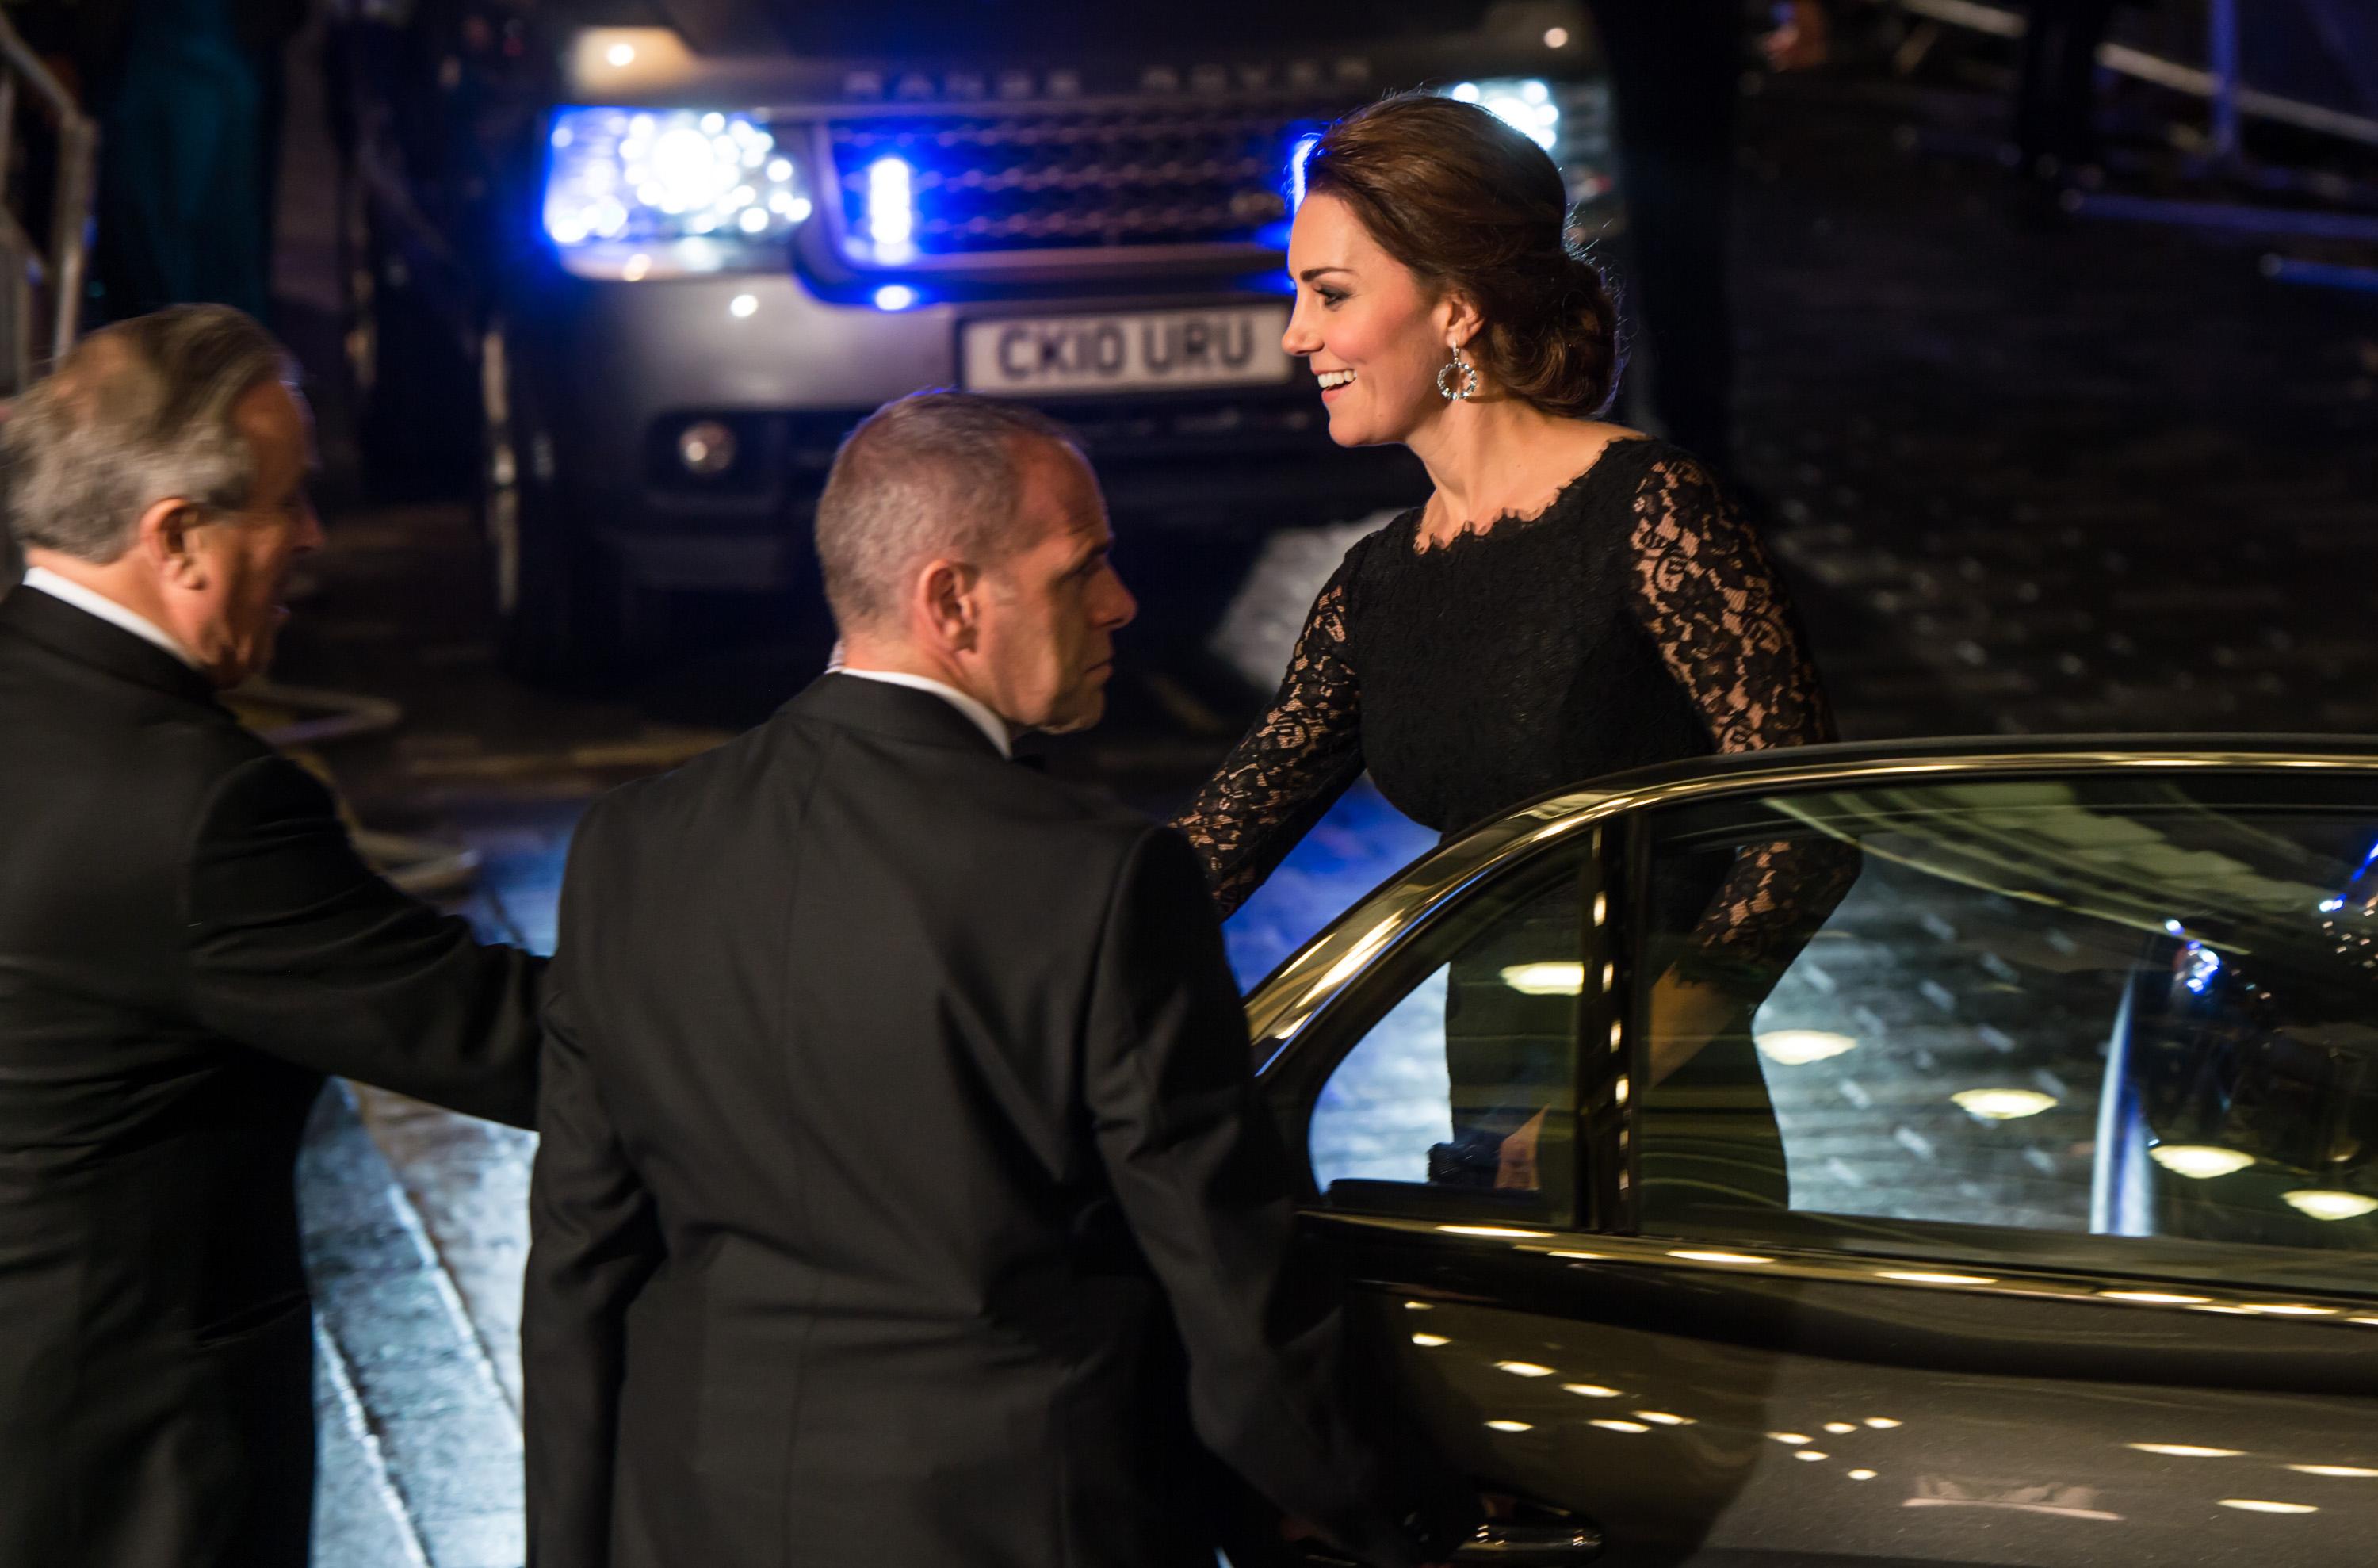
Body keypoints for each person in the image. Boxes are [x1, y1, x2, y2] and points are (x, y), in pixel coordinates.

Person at [523, 392, 1470, 1568]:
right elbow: (1230, 1278)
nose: (1123, 602)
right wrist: (1386, 1515)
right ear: (953, 602)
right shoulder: (1104, 882)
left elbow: (579, 1264)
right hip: (1021, 1519)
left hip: (697, 1514)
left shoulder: (630, 846)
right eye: (1085, 568)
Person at [1172, 94, 1841, 1181]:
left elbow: (1807, 832)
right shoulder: (1379, 584)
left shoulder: (1651, 510)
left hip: (1658, 1142)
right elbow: (1217, 844)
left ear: (1457, 309)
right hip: (1492, 1131)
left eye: (1330, 294)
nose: (1298, 334)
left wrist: (1607, 1083)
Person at [0, 304, 542, 1568]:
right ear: (178, 535)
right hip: (119, 1465)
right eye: (287, 505)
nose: (311, 537)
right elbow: (498, 1037)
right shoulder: (205, 807)